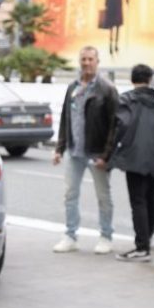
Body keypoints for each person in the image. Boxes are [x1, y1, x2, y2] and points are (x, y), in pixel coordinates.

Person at [52, 46, 118, 254]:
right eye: (83, 59)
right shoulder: (72, 87)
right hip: (75, 151)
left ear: (97, 62)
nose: (86, 63)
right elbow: (66, 118)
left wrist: (106, 155)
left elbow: (115, 125)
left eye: (90, 59)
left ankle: (106, 236)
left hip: (97, 153)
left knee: (103, 196)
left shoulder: (107, 88)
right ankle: (70, 236)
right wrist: (59, 148)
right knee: (70, 195)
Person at [110, 64, 154, 262]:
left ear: (132, 79)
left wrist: (111, 152)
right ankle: (148, 237)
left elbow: (120, 126)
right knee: (151, 198)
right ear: (150, 79)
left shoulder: (126, 99)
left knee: (138, 201)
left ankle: (142, 247)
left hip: (135, 155)